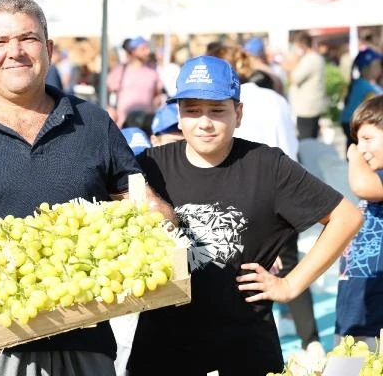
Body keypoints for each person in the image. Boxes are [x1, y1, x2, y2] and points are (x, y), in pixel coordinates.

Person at [0, 0, 176, 376]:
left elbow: (140, 201)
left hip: (87, 339)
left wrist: (161, 221)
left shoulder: (93, 123)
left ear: (48, 49)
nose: (15, 52)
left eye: (27, 39)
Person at [126, 55, 363, 376]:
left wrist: (291, 285)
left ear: (238, 113)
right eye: (192, 110)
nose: (204, 122)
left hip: (245, 344)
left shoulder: (267, 166)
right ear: (178, 116)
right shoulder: (150, 166)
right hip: (163, 344)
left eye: (217, 110)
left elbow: (346, 217)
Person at [212, 46, 325, 360]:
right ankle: (310, 339)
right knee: (289, 266)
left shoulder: (227, 104)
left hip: (237, 193)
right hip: (280, 190)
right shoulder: (274, 99)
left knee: (238, 273)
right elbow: (291, 146)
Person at [336, 94, 383, 352]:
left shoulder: (371, 182)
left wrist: (354, 155)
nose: (360, 147)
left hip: (377, 322)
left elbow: (363, 185)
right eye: (356, 140)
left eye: (367, 139)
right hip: (351, 316)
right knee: (343, 368)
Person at [107, 36, 164, 129]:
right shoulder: (120, 70)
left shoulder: (153, 72)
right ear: (133, 51)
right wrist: (110, 108)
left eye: (147, 48)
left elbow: (158, 95)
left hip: (146, 123)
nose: (148, 52)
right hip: (123, 124)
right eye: (143, 49)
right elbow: (107, 91)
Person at [287, 31, 328, 140]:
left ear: (301, 45)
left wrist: (294, 61)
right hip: (311, 106)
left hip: (306, 109)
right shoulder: (315, 58)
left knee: (306, 140)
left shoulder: (310, 59)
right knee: (310, 138)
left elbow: (294, 78)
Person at [340, 48, 383, 149]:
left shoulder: (360, 83)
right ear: (368, 68)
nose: (381, 68)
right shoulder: (366, 87)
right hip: (356, 124)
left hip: (351, 123)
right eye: (378, 65)